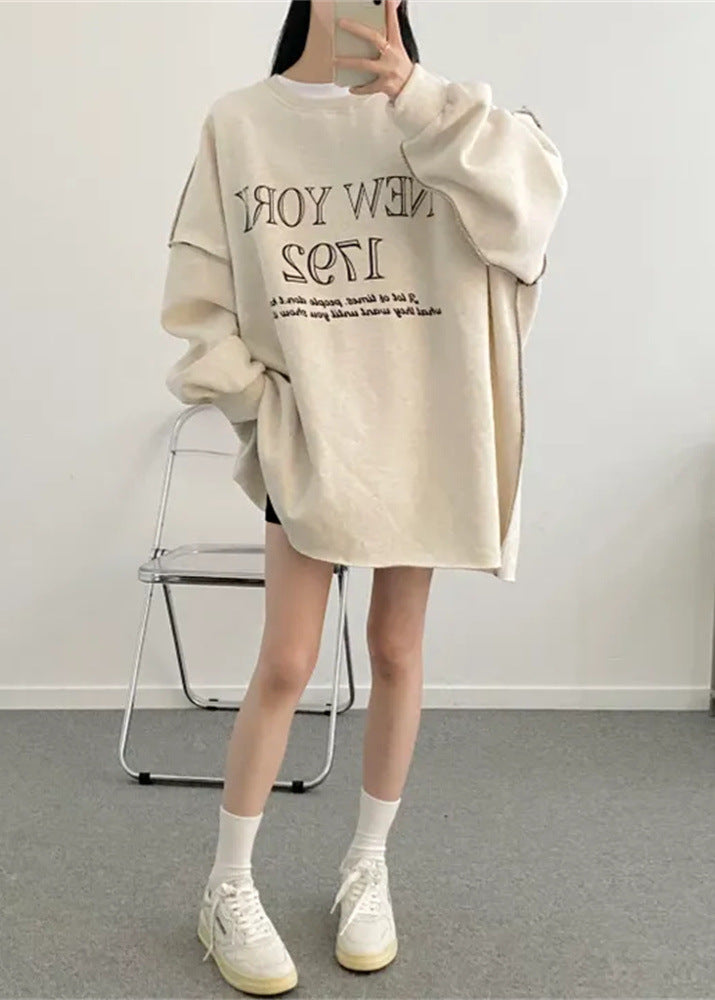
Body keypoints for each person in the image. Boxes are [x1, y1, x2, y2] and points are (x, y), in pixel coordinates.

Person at [159, 0, 567, 994]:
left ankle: (367, 865)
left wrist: (417, 97)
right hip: (310, 437)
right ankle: (227, 885)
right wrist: (269, 412)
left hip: (418, 431)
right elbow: (199, 301)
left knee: (395, 649)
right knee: (286, 661)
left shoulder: (447, 117)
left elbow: (532, 213)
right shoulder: (240, 122)